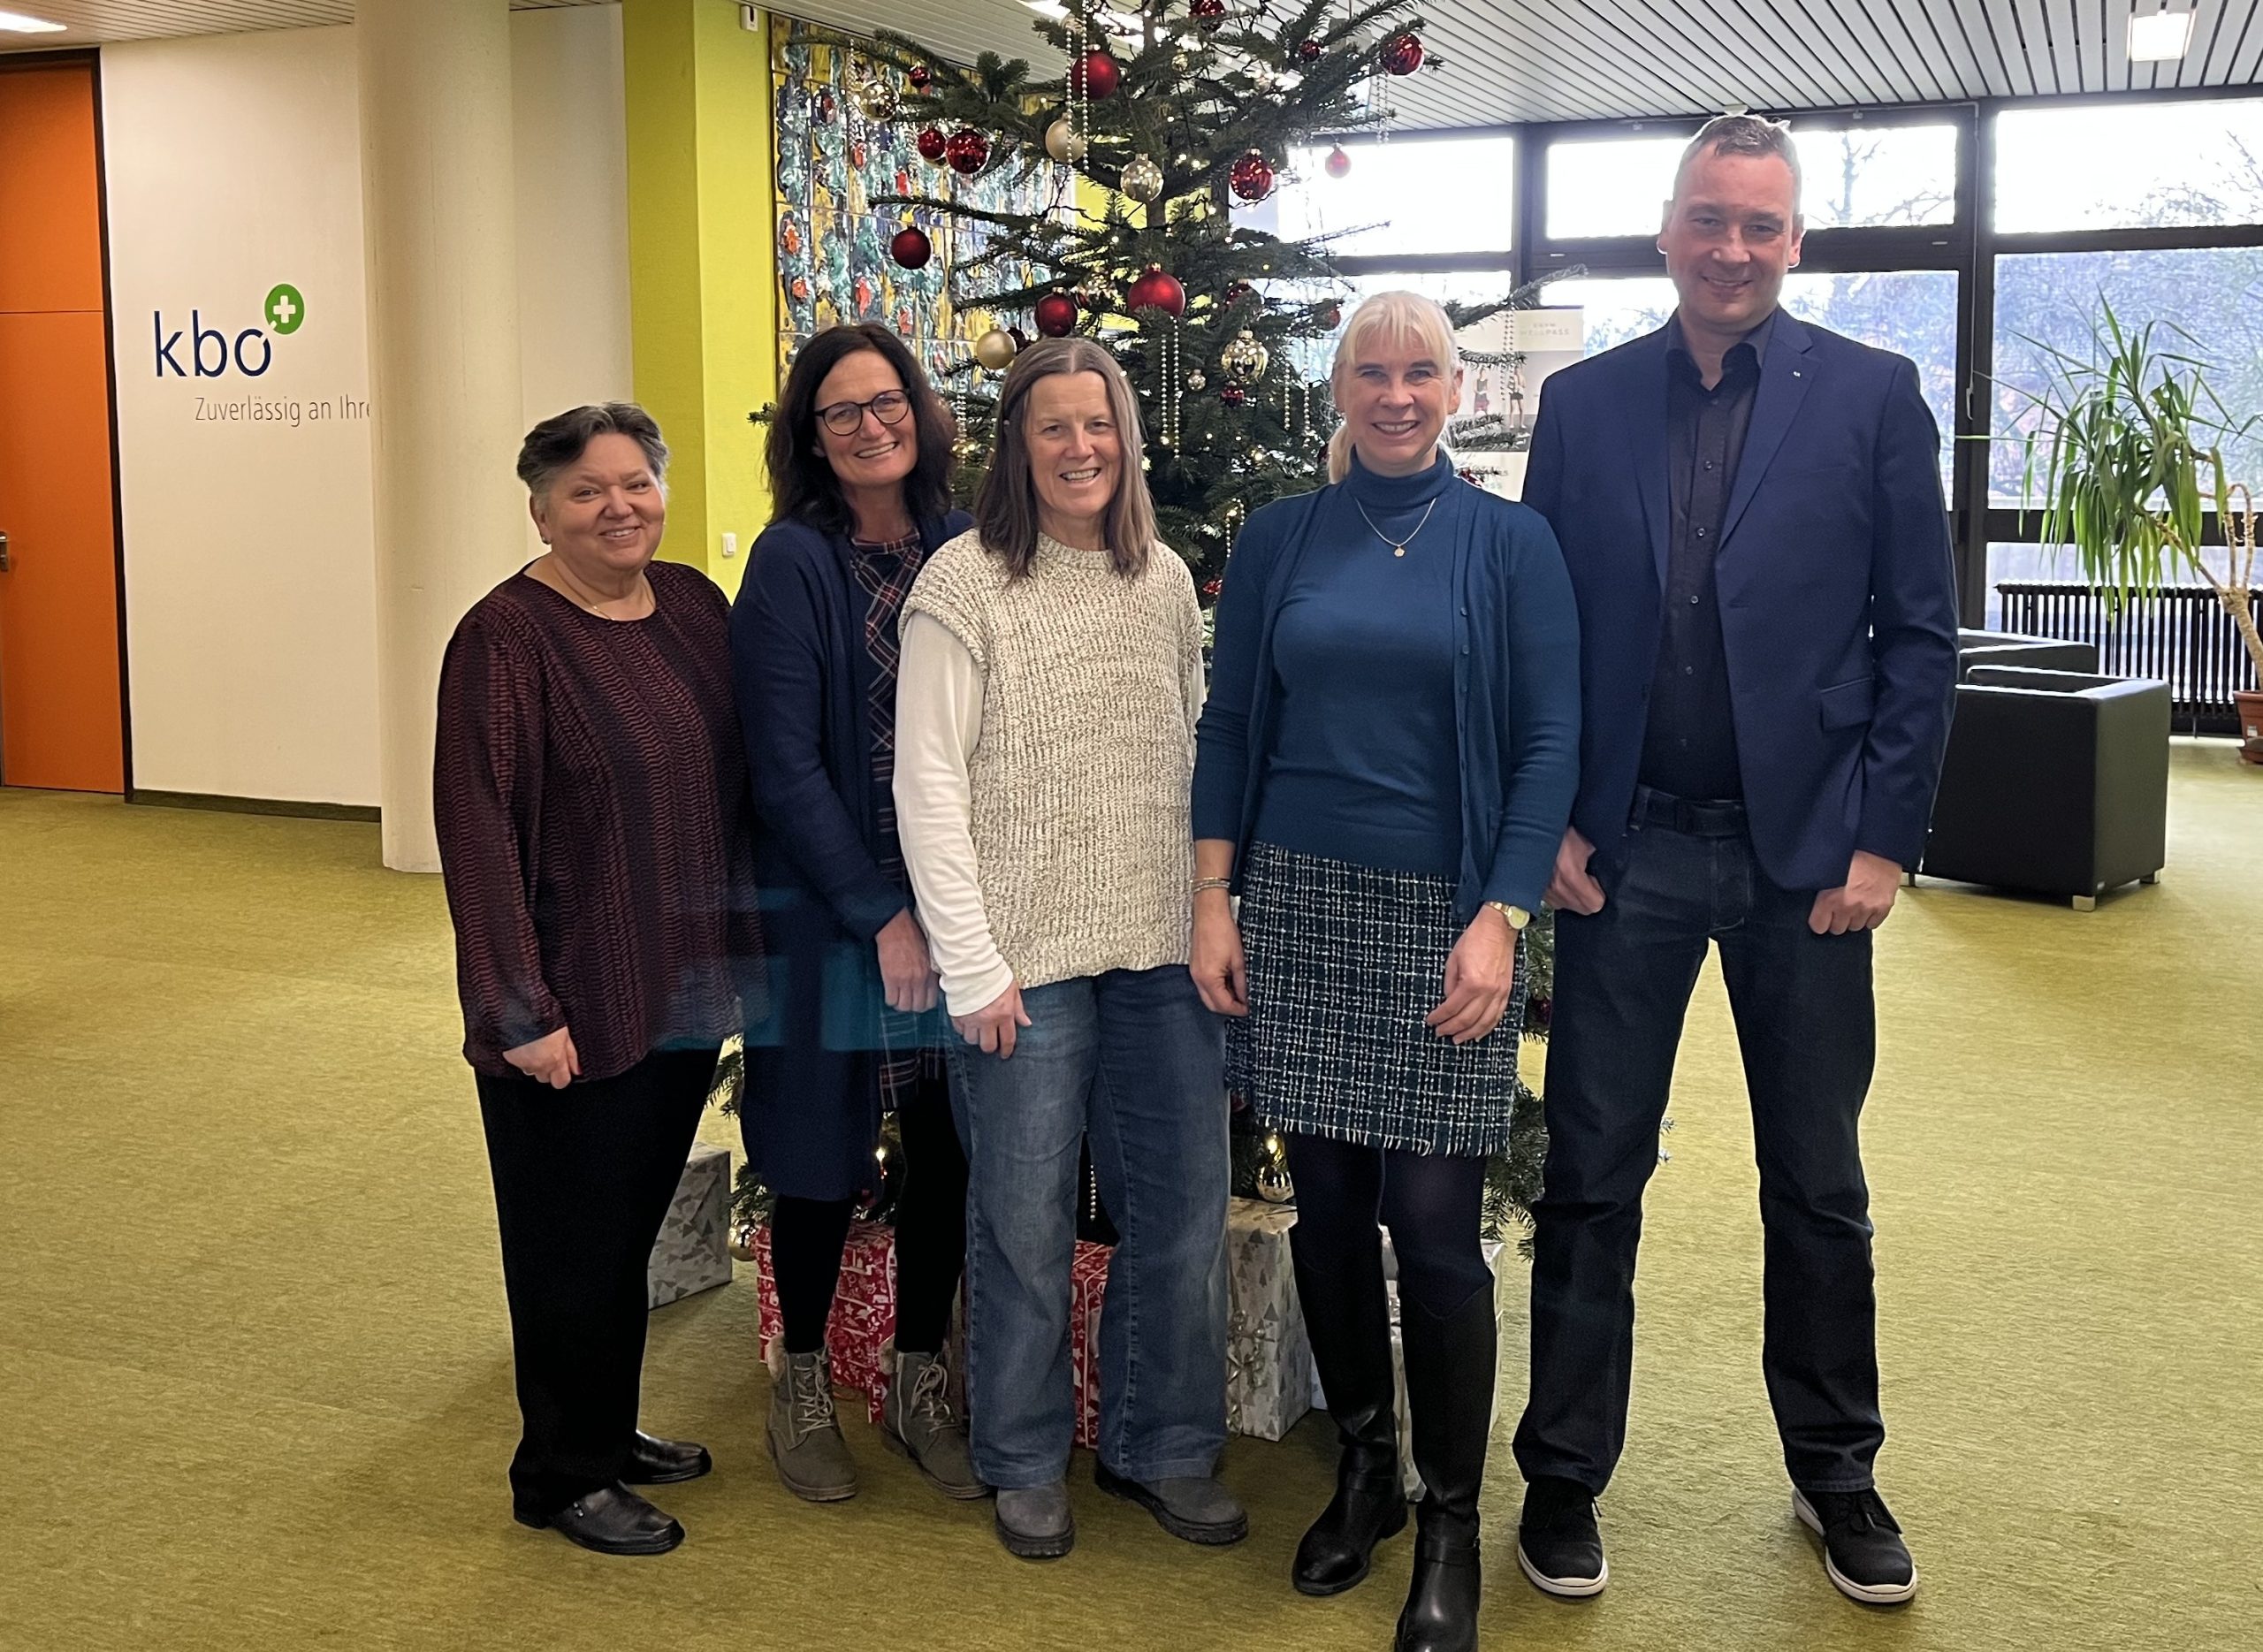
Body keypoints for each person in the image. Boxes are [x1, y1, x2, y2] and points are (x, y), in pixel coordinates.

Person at [1510, 115, 1958, 1607]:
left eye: (1761, 226)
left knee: (1817, 1179)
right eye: (1710, 219)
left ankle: (1838, 1470)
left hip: (1808, 864)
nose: (1733, 249)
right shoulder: (1582, 407)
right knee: (1592, 1172)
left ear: (1796, 240)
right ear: (1667, 229)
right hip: (1626, 852)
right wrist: (1557, 812)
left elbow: (1920, 642)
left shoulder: (1877, 398)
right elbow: (1546, 635)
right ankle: (1563, 1474)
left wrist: (1887, 837)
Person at [1191, 291, 1581, 1652]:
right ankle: (1364, 1462)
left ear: (1456, 385)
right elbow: (1232, 722)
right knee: (1327, 1208)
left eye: (1423, 371)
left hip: (1442, 916)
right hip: (1296, 902)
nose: (1399, 392)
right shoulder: (1284, 535)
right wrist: (1212, 900)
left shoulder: (1510, 545)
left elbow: (1547, 745)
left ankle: (1453, 1514)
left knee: (1435, 1228)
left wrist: (1502, 915)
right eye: (1374, 370)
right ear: (1338, 385)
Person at [893, 336, 1238, 1563]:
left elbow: (1197, 751)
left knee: (1184, 1207)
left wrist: (1214, 904)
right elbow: (926, 782)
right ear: (1016, 444)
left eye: (1100, 425)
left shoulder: (1163, 582)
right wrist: (971, 959)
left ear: (1126, 439)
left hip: (1160, 946)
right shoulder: (965, 582)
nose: (1081, 447)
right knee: (1023, 1217)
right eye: (1054, 427)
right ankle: (1025, 1454)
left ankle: (1162, 1441)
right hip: (1020, 961)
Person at [434, 402, 766, 1557]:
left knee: (621, 1228)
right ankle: (561, 1474)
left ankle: (607, 1425)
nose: (619, 506)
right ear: (542, 508)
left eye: (636, 482)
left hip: (680, 991)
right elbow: (478, 834)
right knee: (566, 1242)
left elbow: (734, 786)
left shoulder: (690, 607)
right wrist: (517, 1011)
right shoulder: (506, 639)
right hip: (570, 1006)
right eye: (588, 490)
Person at [730, 324, 980, 1504]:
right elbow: (782, 764)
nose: (872, 425)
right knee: (820, 1158)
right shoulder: (792, 560)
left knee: (947, 1149)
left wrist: (948, 907)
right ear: (811, 436)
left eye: (887, 402)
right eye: (842, 412)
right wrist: (880, 911)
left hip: (958, 897)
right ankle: (801, 1377)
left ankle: (919, 1371)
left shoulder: (966, 546)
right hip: (836, 908)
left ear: (919, 414)